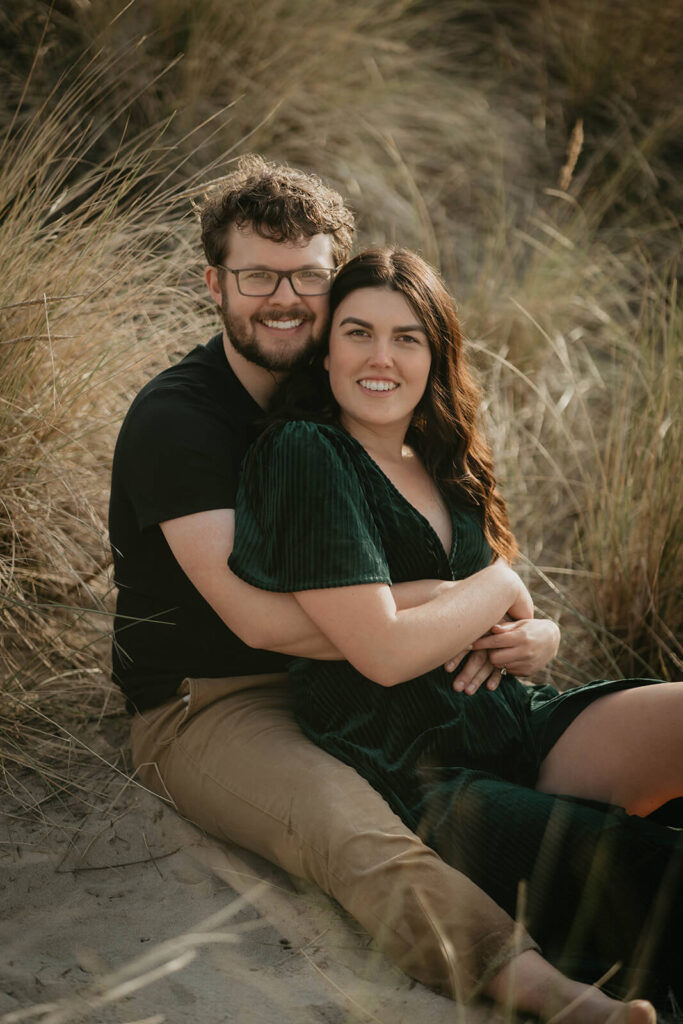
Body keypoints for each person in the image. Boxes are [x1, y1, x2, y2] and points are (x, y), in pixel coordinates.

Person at [109, 156, 659, 1023]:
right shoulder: (181, 421)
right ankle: (537, 986)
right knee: (348, 830)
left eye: (308, 277)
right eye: (257, 275)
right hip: (215, 701)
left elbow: (445, 551)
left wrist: (525, 627)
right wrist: (460, 599)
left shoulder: (344, 388)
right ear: (213, 283)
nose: (283, 298)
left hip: (373, 689)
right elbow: (260, 624)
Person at [228, 245, 683, 1014]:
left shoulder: (442, 456)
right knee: (658, 871)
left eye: (407, 337)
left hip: (518, 724)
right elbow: (381, 651)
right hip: (425, 775)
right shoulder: (308, 454)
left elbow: (494, 612)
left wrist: (541, 636)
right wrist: (501, 583)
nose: (382, 357)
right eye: (357, 332)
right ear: (325, 350)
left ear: (435, 354)